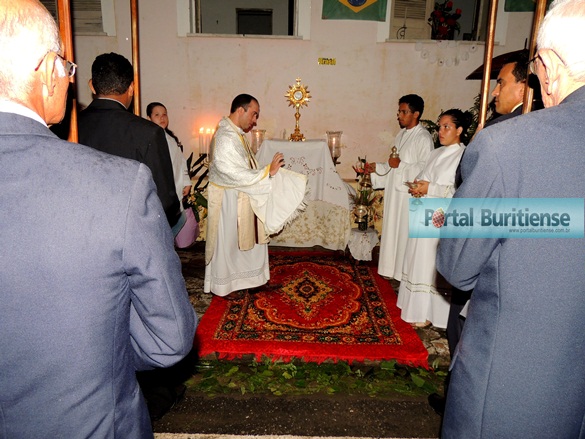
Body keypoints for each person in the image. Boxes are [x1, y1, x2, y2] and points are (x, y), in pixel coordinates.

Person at [0, 1, 197, 438]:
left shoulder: (80, 127)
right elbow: (169, 337)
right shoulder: (131, 167)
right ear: (48, 72)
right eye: (64, 66)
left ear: (93, 85)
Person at [436, 1, 585, 437]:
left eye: (536, 67)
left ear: (550, 66)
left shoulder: (508, 146)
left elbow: (456, 266)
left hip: (518, 387)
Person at [204, 94, 306, 297]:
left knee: (254, 238)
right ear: (240, 110)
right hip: (229, 199)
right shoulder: (225, 137)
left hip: (244, 194)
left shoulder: (237, 134)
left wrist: (267, 171)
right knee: (230, 242)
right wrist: (266, 172)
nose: (255, 120)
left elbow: (247, 167)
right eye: (253, 114)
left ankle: (254, 279)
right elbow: (230, 172)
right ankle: (225, 286)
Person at [78, 52, 181, 229]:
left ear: (92, 86)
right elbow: (166, 202)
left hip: (81, 228)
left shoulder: (70, 127)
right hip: (130, 231)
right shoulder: (148, 133)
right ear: (132, 88)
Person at [397, 109, 469, 329]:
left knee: (431, 263)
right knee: (417, 260)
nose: (441, 131)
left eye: (447, 127)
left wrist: (431, 188)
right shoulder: (435, 153)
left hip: (442, 217)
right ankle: (416, 308)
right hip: (423, 213)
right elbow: (424, 177)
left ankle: (432, 313)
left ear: (459, 130)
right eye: (440, 127)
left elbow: (460, 191)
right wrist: (417, 186)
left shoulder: (463, 156)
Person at [368, 94, 434, 281]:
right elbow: (393, 165)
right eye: (399, 111)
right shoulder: (401, 135)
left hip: (408, 196)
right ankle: (390, 270)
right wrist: (376, 168)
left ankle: (402, 274)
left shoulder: (423, 137)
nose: (399, 115)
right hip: (394, 194)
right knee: (392, 232)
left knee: (403, 234)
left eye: (404, 112)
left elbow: (425, 168)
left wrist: (401, 165)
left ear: (416, 114)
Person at [147, 101, 193, 237]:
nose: (162, 118)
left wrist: (186, 182)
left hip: (174, 190)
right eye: (157, 115)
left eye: (164, 115)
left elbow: (181, 162)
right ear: (149, 118)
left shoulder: (171, 138)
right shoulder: (149, 139)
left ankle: (165, 245)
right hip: (161, 192)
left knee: (180, 219)